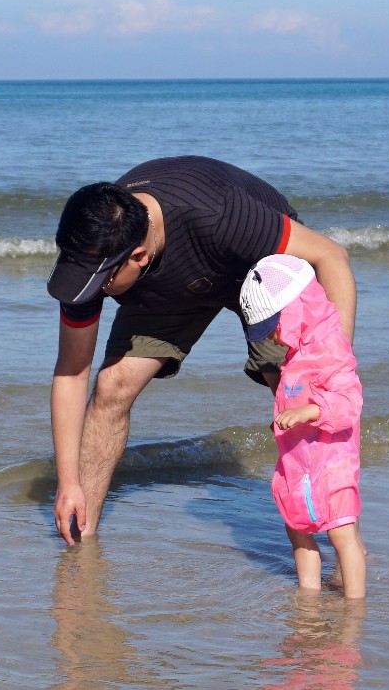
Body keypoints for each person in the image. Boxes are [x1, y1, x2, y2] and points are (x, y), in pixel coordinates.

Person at [47, 156, 357, 546]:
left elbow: (331, 254)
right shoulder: (91, 258)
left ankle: (343, 545)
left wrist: (333, 364)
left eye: (102, 284)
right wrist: (68, 481)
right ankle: (81, 541)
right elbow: (72, 371)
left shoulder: (220, 211)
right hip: (172, 282)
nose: (94, 294)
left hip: (258, 265)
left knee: (293, 391)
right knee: (113, 386)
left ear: (138, 256)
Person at [239, 254, 366, 596]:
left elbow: (349, 404)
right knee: (297, 528)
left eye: (274, 326)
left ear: (298, 309)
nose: (274, 337)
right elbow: (291, 398)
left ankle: (355, 606)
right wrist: (283, 421)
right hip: (298, 465)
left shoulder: (330, 348)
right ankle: (307, 594)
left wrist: (308, 412)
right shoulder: (296, 356)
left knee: (341, 533)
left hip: (331, 463)